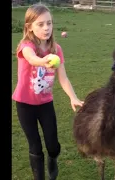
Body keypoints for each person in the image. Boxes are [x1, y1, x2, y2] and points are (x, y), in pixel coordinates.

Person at [12, 3, 84, 180]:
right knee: (35, 146)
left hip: (45, 105)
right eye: (40, 24)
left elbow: (63, 78)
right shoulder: (26, 45)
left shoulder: (56, 50)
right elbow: (31, 57)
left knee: (52, 146)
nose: (46, 28)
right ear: (29, 27)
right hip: (24, 105)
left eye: (49, 23)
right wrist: (43, 61)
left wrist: (73, 97)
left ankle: (53, 159)